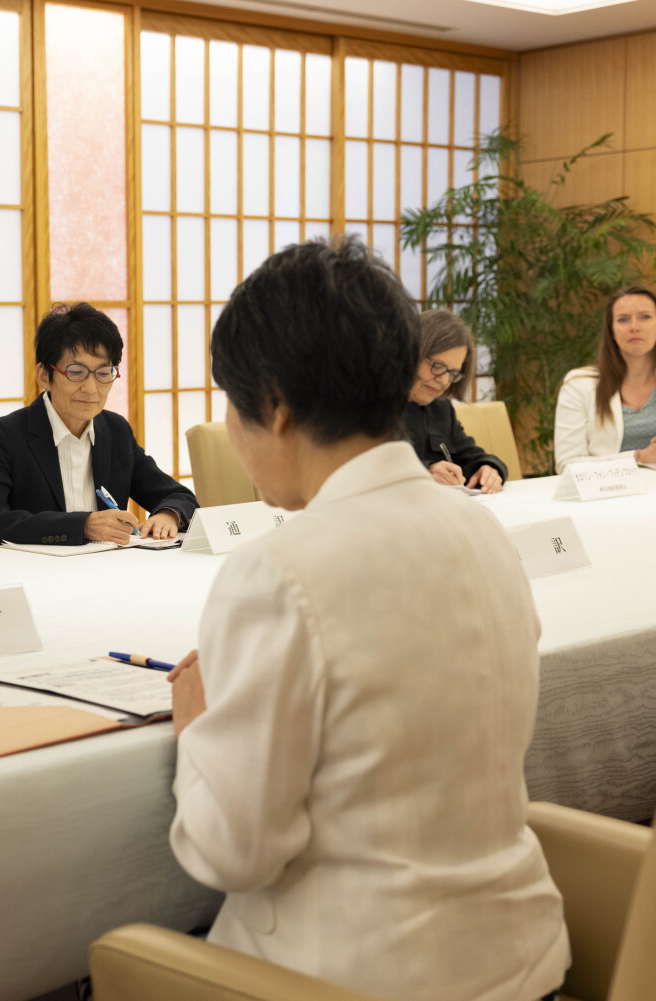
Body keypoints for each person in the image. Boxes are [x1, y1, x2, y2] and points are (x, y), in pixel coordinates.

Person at [165, 237, 569, 1001]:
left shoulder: (278, 571)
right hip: (525, 963)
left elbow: (233, 853)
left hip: (360, 976)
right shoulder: (481, 530)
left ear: (275, 404)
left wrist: (195, 730)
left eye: (231, 404)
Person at [0, 303, 197, 546]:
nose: (91, 389)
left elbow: (179, 496)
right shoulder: (7, 435)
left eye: (103, 373)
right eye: (76, 372)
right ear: (45, 376)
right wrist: (83, 525)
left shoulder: (115, 430)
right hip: (37, 572)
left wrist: (167, 514)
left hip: (107, 571)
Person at [553, 285, 656, 473]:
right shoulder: (579, 384)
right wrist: (638, 457)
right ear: (612, 330)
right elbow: (566, 464)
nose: (634, 327)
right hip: (608, 495)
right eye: (623, 320)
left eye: (645, 317)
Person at [404, 310, 507, 493]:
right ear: (412, 353)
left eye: (452, 373)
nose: (444, 381)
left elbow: (472, 456)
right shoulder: (372, 405)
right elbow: (365, 467)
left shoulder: (441, 408)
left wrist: (488, 469)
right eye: (438, 366)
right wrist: (425, 471)